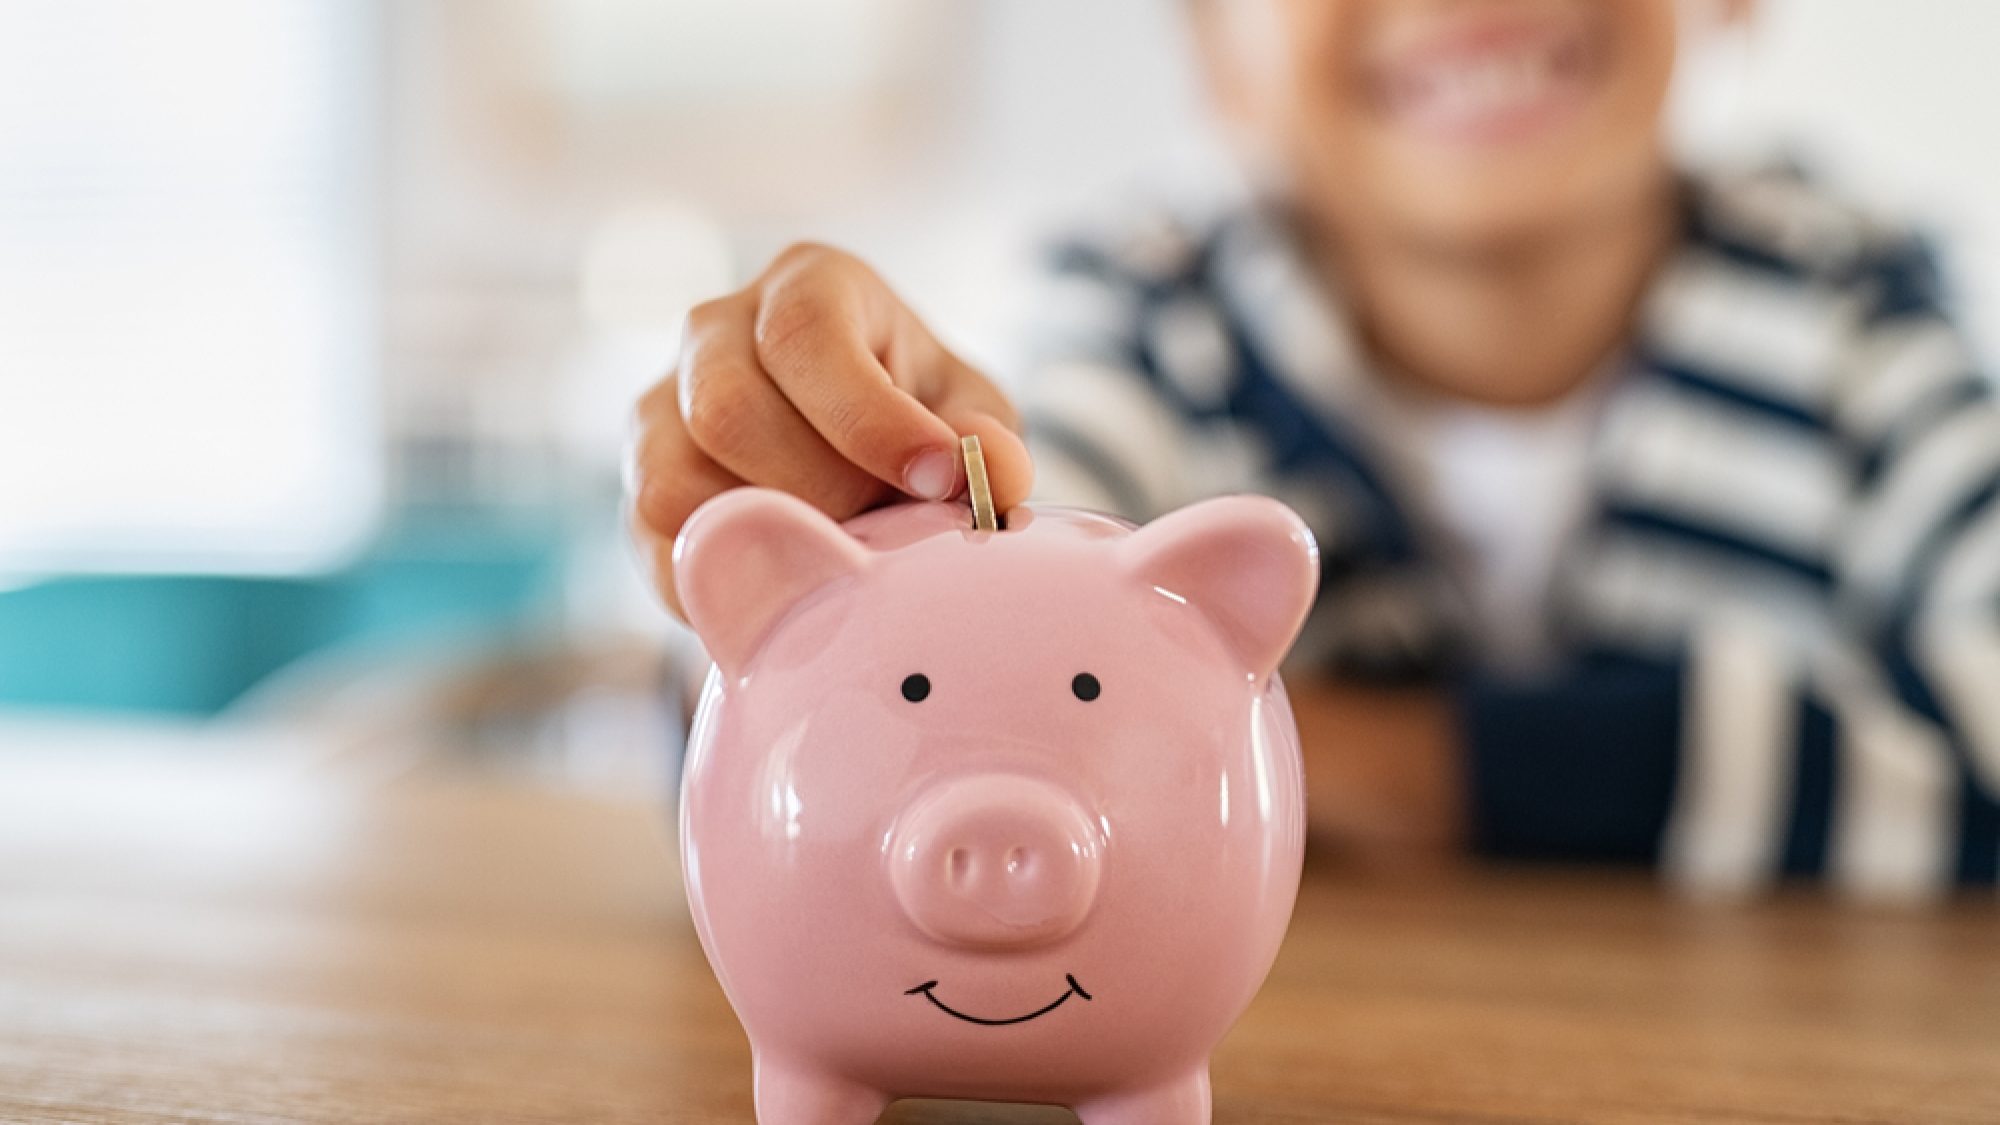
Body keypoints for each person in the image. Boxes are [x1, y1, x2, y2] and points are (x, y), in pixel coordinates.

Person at [627, 0, 2000, 895]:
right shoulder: (1144, 315)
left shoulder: (1855, 310)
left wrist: (1405, 770)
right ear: (1212, 48)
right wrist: (865, 547)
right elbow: (955, 749)